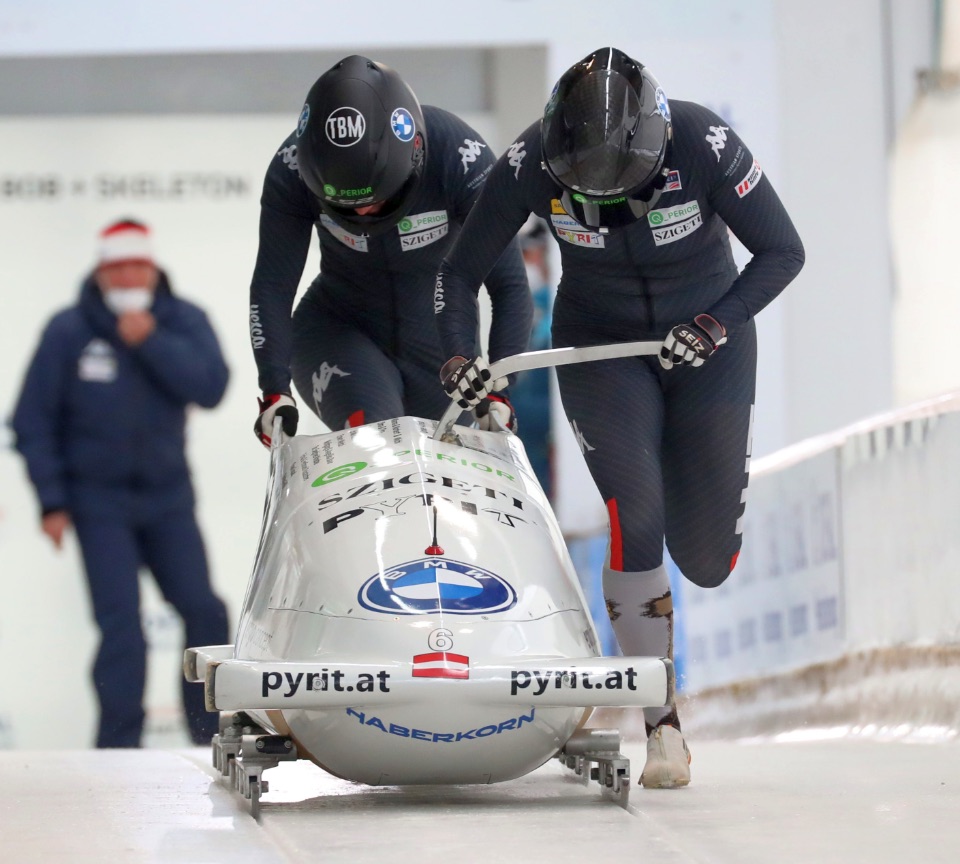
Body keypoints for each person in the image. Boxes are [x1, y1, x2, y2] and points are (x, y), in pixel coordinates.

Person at [434, 47, 805, 787]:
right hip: (600, 344)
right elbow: (457, 271)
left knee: (704, 560)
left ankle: (693, 502)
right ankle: (661, 722)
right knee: (635, 516)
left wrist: (718, 323)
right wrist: (456, 357)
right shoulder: (529, 163)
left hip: (707, 342)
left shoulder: (703, 144)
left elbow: (782, 251)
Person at [11, 218, 231, 748]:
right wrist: (52, 502)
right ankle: (116, 749)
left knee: (204, 609)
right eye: (117, 267)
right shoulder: (68, 330)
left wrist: (152, 341)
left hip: (168, 499)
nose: (128, 274)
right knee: (122, 628)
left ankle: (209, 737)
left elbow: (211, 386)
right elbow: (31, 420)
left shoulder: (181, 320)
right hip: (97, 503)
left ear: (153, 268)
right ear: (101, 271)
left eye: (137, 265)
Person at [248, 54, 532, 446]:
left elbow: (510, 285)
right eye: (346, 206)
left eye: (376, 199)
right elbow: (273, 285)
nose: (363, 212)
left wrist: (501, 390)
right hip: (337, 330)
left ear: (413, 157)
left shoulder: (459, 156)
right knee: (378, 443)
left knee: (441, 484)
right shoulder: (291, 167)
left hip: (442, 349)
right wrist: (274, 387)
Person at [508, 216, 555, 498]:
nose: (531, 263)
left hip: (539, 415)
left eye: (532, 255)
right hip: (532, 417)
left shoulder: (554, 312)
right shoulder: (538, 302)